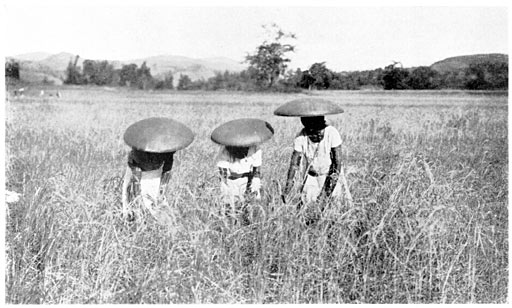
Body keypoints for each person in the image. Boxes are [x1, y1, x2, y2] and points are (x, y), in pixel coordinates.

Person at [282, 116, 344, 207]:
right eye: (313, 132)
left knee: (333, 205)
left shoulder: (332, 133)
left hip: (330, 174)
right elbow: (294, 164)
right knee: (308, 206)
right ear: (307, 129)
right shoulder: (301, 137)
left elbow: (337, 163)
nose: (317, 135)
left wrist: (326, 193)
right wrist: (288, 188)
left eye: (320, 131)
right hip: (312, 177)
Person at [121, 148, 174, 222]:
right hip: (146, 176)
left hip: (151, 178)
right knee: (136, 208)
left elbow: (167, 171)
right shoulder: (166, 151)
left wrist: (161, 191)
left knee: (152, 206)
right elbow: (134, 178)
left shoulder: (166, 151)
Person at [216, 145, 262, 209]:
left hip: (248, 181)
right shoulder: (225, 149)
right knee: (230, 207)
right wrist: (225, 188)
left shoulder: (255, 148)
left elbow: (256, 171)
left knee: (249, 208)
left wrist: (255, 186)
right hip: (231, 182)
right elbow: (223, 173)